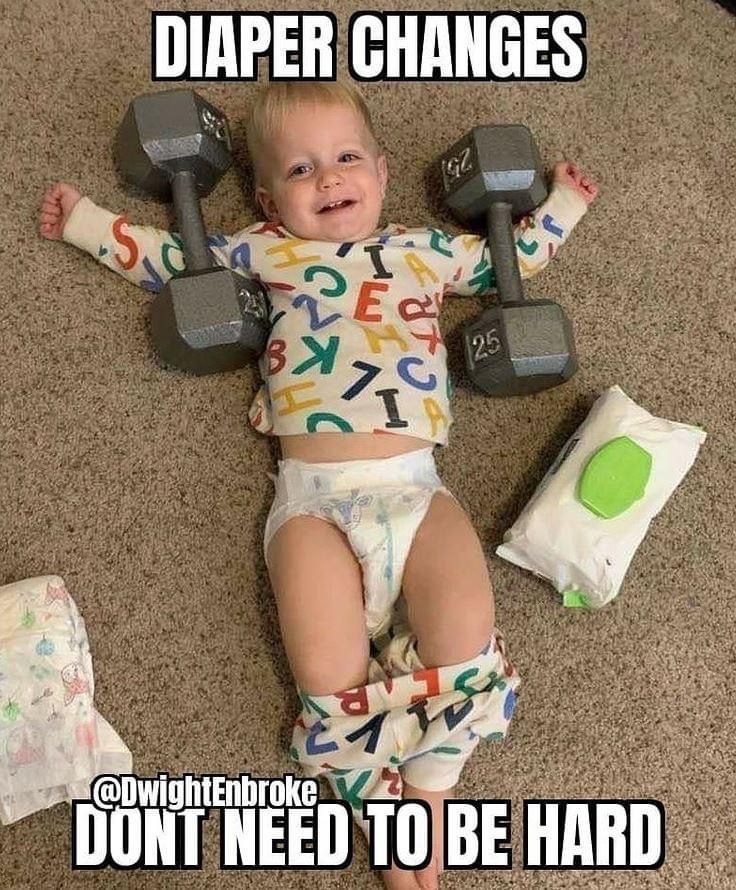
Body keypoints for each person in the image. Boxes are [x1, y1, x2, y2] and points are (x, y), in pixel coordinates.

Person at [39, 81, 597, 889]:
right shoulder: (265, 250)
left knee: (467, 623)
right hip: (312, 503)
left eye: (343, 160)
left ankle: (433, 790)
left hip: (416, 488)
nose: (328, 179)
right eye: (301, 170)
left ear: (380, 167)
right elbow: (174, 260)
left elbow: (511, 258)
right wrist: (90, 223)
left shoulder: (425, 250)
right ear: (269, 199)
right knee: (325, 667)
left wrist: (565, 205)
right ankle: (374, 796)